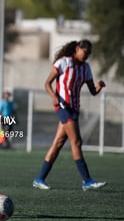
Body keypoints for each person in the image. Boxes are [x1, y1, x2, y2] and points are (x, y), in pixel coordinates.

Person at [32, 39, 107, 191]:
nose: (86, 56)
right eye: (85, 53)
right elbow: (47, 83)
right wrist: (53, 96)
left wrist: (99, 86)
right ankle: (87, 181)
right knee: (77, 142)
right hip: (62, 107)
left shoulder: (86, 68)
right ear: (78, 49)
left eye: (89, 55)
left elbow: (93, 91)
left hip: (74, 109)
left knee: (58, 143)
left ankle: (39, 178)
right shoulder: (64, 62)